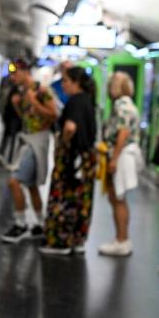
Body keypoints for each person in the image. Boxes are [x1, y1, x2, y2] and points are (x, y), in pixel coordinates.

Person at [39, 66, 97, 255]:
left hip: (72, 158)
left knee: (65, 196)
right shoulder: (88, 101)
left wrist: (63, 142)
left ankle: (61, 241)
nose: (62, 85)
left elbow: (70, 127)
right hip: (85, 160)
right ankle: (77, 239)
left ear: (76, 83)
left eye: (65, 81)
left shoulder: (75, 102)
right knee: (82, 200)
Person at [0, 59, 58, 243]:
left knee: (14, 181)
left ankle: (20, 224)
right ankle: (41, 224)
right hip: (27, 137)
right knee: (31, 185)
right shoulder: (22, 92)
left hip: (37, 140)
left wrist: (34, 101)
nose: (12, 77)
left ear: (25, 72)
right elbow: (28, 117)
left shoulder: (41, 90)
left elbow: (53, 114)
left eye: (15, 73)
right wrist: (18, 105)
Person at [98, 72, 142, 257]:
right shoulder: (129, 104)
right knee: (117, 198)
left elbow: (122, 133)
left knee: (118, 198)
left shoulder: (121, 106)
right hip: (124, 153)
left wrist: (114, 159)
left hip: (121, 155)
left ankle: (122, 240)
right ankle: (121, 238)